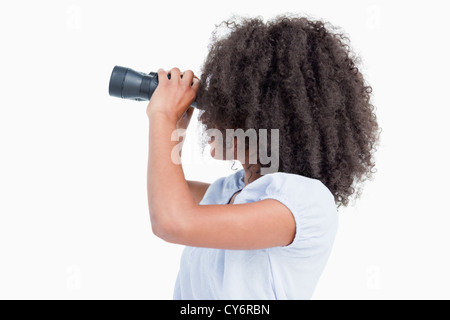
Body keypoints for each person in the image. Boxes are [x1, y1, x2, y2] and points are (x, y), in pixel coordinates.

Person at [145, 14, 380, 299]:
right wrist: (175, 130)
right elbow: (165, 194)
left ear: (264, 117)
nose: (207, 116)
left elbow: (172, 221)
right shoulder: (227, 191)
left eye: (223, 103)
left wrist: (163, 115)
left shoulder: (304, 202)